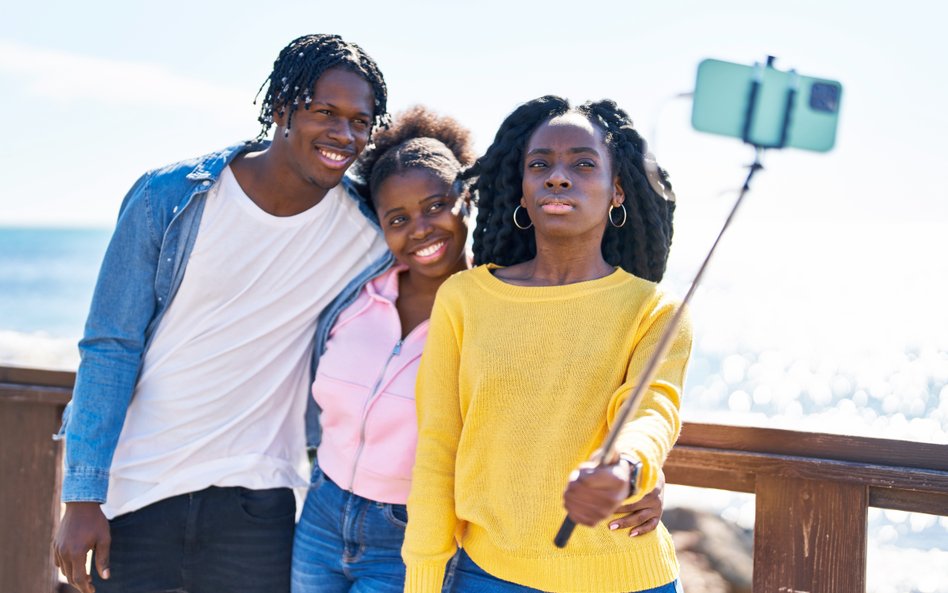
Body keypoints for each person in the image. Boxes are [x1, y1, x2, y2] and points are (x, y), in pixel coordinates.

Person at [52, 34, 392, 593]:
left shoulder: (367, 233)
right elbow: (110, 345)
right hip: (137, 491)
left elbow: (440, 260)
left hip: (259, 505)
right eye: (325, 112)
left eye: (361, 121)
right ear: (282, 107)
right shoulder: (173, 197)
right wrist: (82, 497)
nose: (344, 134)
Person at [291, 106, 667, 593]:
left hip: (419, 528)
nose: (421, 227)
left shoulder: (643, 308)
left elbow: (644, 406)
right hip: (325, 508)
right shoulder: (360, 296)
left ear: (465, 199)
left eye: (434, 206)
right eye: (398, 217)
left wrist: (636, 468)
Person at [401, 95, 690, 593]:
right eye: (541, 164)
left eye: (583, 163)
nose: (558, 177)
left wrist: (626, 468)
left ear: (617, 190)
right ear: (522, 187)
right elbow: (438, 447)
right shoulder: (465, 299)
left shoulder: (655, 310)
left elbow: (652, 412)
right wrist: (423, 577)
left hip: (625, 576)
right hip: (485, 576)